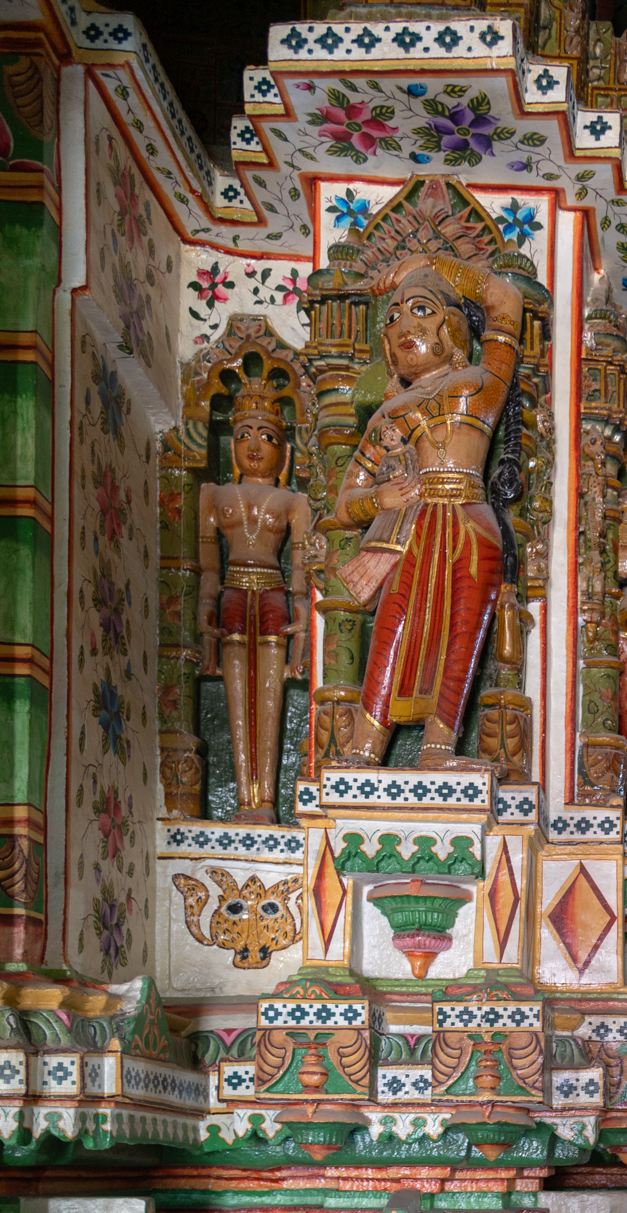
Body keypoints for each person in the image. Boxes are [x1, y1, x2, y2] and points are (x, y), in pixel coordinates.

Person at [333, 252, 523, 769]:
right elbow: (344, 505)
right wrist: (384, 498)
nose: (402, 327)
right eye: (391, 320)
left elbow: (506, 299)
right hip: (406, 527)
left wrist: (431, 261)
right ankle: (365, 748)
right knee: (392, 625)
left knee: (464, 629)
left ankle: (439, 749)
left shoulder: (482, 385)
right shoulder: (389, 412)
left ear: (453, 327)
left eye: (420, 309)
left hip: (469, 518)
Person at [197, 379, 312, 823]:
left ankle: (264, 800)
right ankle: (246, 799)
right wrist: (206, 611)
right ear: (231, 447)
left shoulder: (293, 501)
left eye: (268, 437)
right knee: (235, 697)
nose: (254, 446)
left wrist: (301, 619)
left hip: (272, 592)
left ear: (285, 451)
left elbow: (300, 567)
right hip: (231, 590)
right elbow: (209, 565)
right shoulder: (213, 495)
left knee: (270, 696)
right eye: (244, 435)